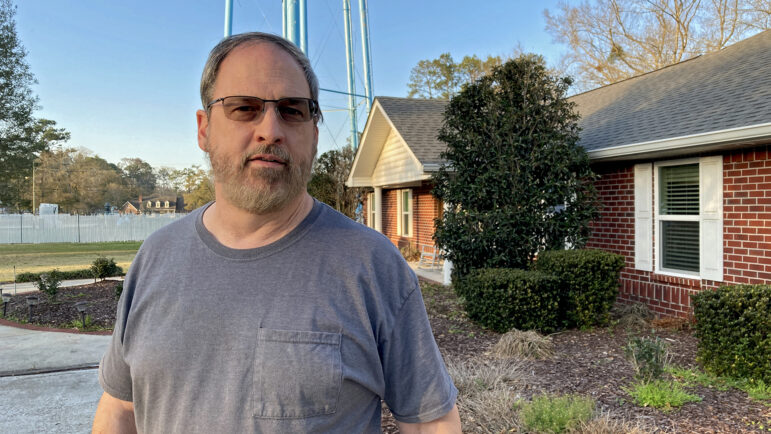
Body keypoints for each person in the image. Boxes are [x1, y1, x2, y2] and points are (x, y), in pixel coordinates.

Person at [92, 32, 461, 433]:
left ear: (314, 134)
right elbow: (121, 408)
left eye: (292, 110)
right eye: (244, 108)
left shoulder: (372, 266)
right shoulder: (155, 257)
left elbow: (430, 423)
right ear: (204, 129)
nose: (270, 130)